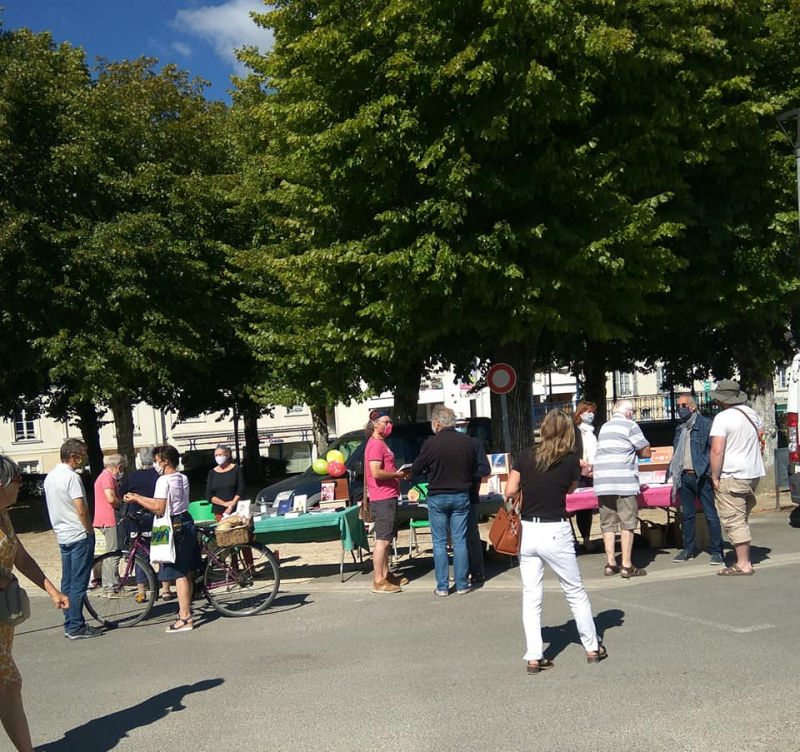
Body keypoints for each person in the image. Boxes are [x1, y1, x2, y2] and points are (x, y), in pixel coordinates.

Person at [505, 410, 607, 674]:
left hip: (527, 529)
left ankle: (534, 655)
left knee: (531, 594)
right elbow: (570, 489)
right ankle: (592, 646)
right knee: (575, 591)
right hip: (556, 529)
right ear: (567, 432)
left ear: (545, 429)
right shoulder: (571, 461)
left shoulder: (527, 455)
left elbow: (510, 491)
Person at [0, 455, 69, 752]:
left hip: (3, 623)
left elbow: (21, 557)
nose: (21, 485)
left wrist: (52, 590)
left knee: (8, 688)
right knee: (9, 685)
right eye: (16, 480)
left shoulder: (4, 515)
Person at [124, 445, 200, 632]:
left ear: (165, 461)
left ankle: (185, 617)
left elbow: (159, 508)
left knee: (179, 572)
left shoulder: (163, 481)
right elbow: (163, 503)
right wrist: (140, 497)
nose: (155, 463)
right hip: (186, 520)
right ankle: (186, 610)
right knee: (187, 571)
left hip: (173, 525)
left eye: (157, 460)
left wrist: (136, 500)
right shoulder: (182, 477)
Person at [411, 405, 477, 596]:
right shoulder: (467, 441)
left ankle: (442, 587)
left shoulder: (430, 444)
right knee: (460, 540)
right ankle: (462, 584)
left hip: (437, 496)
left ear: (437, 423)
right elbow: (474, 467)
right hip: (461, 495)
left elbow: (416, 468)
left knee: (439, 542)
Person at [43, 439, 102, 639]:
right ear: (73, 456)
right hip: (78, 533)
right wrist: (89, 530)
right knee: (78, 581)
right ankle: (76, 624)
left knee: (67, 581)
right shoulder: (72, 477)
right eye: (82, 455)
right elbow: (81, 508)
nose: (84, 459)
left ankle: (69, 621)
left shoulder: (50, 477)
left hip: (63, 534)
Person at [708, 380, 766, 576]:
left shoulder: (723, 418)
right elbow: (761, 440)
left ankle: (743, 563)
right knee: (741, 516)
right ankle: (743, 558)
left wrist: (714, 476)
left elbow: (717, 450)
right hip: (753, 472)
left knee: (734, 519)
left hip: (732, 473)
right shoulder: (752, 414)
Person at [593, 399, 651, 578]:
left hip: (602, 482)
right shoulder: (630, 425)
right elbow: (645, 451)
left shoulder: (604, 427)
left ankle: (610, 563)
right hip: (623, 482)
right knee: (627, 522)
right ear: (629, 413)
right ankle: (626, 565)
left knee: (607, 523)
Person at [666, 395, 724, 565]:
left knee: (710, 514)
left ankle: (717, 551)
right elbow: (677, 451)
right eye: (678, 405)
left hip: (701, 476)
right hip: (683, 476)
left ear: (692, 407)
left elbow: (713, 449)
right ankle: (688, 549)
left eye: (683, 405)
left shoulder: (705, 424)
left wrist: (706, 468)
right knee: (688, 516)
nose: (679, 408)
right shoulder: (680, 428)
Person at [364, 410, 410, 594]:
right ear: (375, 424)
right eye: (385, 422)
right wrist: (397, 474)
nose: (389, 425)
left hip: (388, 495)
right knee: (382, 540)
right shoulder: (375, 445)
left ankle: (386, 574)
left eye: (389, 422)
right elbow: (375, 472)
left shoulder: (381, 443)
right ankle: (378, 581)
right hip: (382, 497)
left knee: (387, 538)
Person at [120, 448, 173, 602]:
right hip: (157, 518)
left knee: (140, 556)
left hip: (137, 520)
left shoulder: (132, 477)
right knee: (162, 554)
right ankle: (166, 589)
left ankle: (142, 590)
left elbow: (122, 495)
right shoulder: (159, 476)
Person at [455, 416, 491, 585]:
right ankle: (462, 571)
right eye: (458, 425)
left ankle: (477, 572)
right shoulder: (451, 444)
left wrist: (469, 475)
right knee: (457, 536)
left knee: (471, 534)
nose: (461, 428)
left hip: (470, 494)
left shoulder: (474, 443)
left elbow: (485, 468)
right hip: (454, 495)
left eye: (464, 425)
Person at [92, 453, 126, 595]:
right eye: (122, 468)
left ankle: (109, 584)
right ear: (118, 467)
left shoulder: (103, 476)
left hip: (102, 518)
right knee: (113, 553)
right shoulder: (107, 478)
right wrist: (123, 504)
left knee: (109, 553)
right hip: (109, 518)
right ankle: (111, 586)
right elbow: (110, 498)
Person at [572, 401, 598, 552]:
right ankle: (580, 538)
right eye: (587, 411)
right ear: (580, 414)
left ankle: (586, 538)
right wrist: (579, 462)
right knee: (580, 507)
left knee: (587, 508)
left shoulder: (591, 432)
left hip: (591, 473)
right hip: (578, 474)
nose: (591, 415)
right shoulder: (575, 431)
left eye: (592, 412)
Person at [205, 445, 245, 519]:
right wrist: (224, 503)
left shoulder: (236, 470)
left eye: (220, 455)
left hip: (236, 509)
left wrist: (231, 505)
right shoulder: (212, 473)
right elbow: (209, 495)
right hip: (219, 511)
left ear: (227, 455)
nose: (218, 457)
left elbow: (240, 490)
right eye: (216, 455)